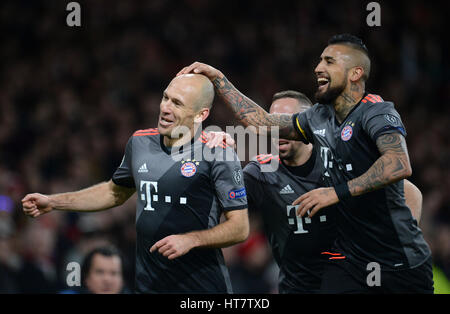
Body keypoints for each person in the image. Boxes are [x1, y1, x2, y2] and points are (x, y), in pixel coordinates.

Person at [179, 34, 433, 293]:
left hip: (403, 264)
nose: (318, 67)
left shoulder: (376, 111)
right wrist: (219, 79)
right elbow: (263, 123)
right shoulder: (318, 117)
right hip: (351, 264)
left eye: (329, 61)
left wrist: (337, 193)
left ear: (355, 73)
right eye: (320, 60)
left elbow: (399, 164)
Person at [22, 73, 249, 293]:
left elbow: (240, 228)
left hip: (201, 288)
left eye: (177, 103)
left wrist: (192, 239)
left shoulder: (218, 153)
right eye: (165, 97)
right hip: (149, 285)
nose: (165, 108)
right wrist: (53, 202)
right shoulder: (140, 142)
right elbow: (114, 192)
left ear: (201, 114)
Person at [240, 90, 425, 293]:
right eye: (272, 123)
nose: (277, 130)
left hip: (354, 280)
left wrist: (400, 246)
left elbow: (410, 192)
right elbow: (220, 205)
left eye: (283, 122)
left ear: (303, 125)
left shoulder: (339, 160)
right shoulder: (260, 173)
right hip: (298, 287)